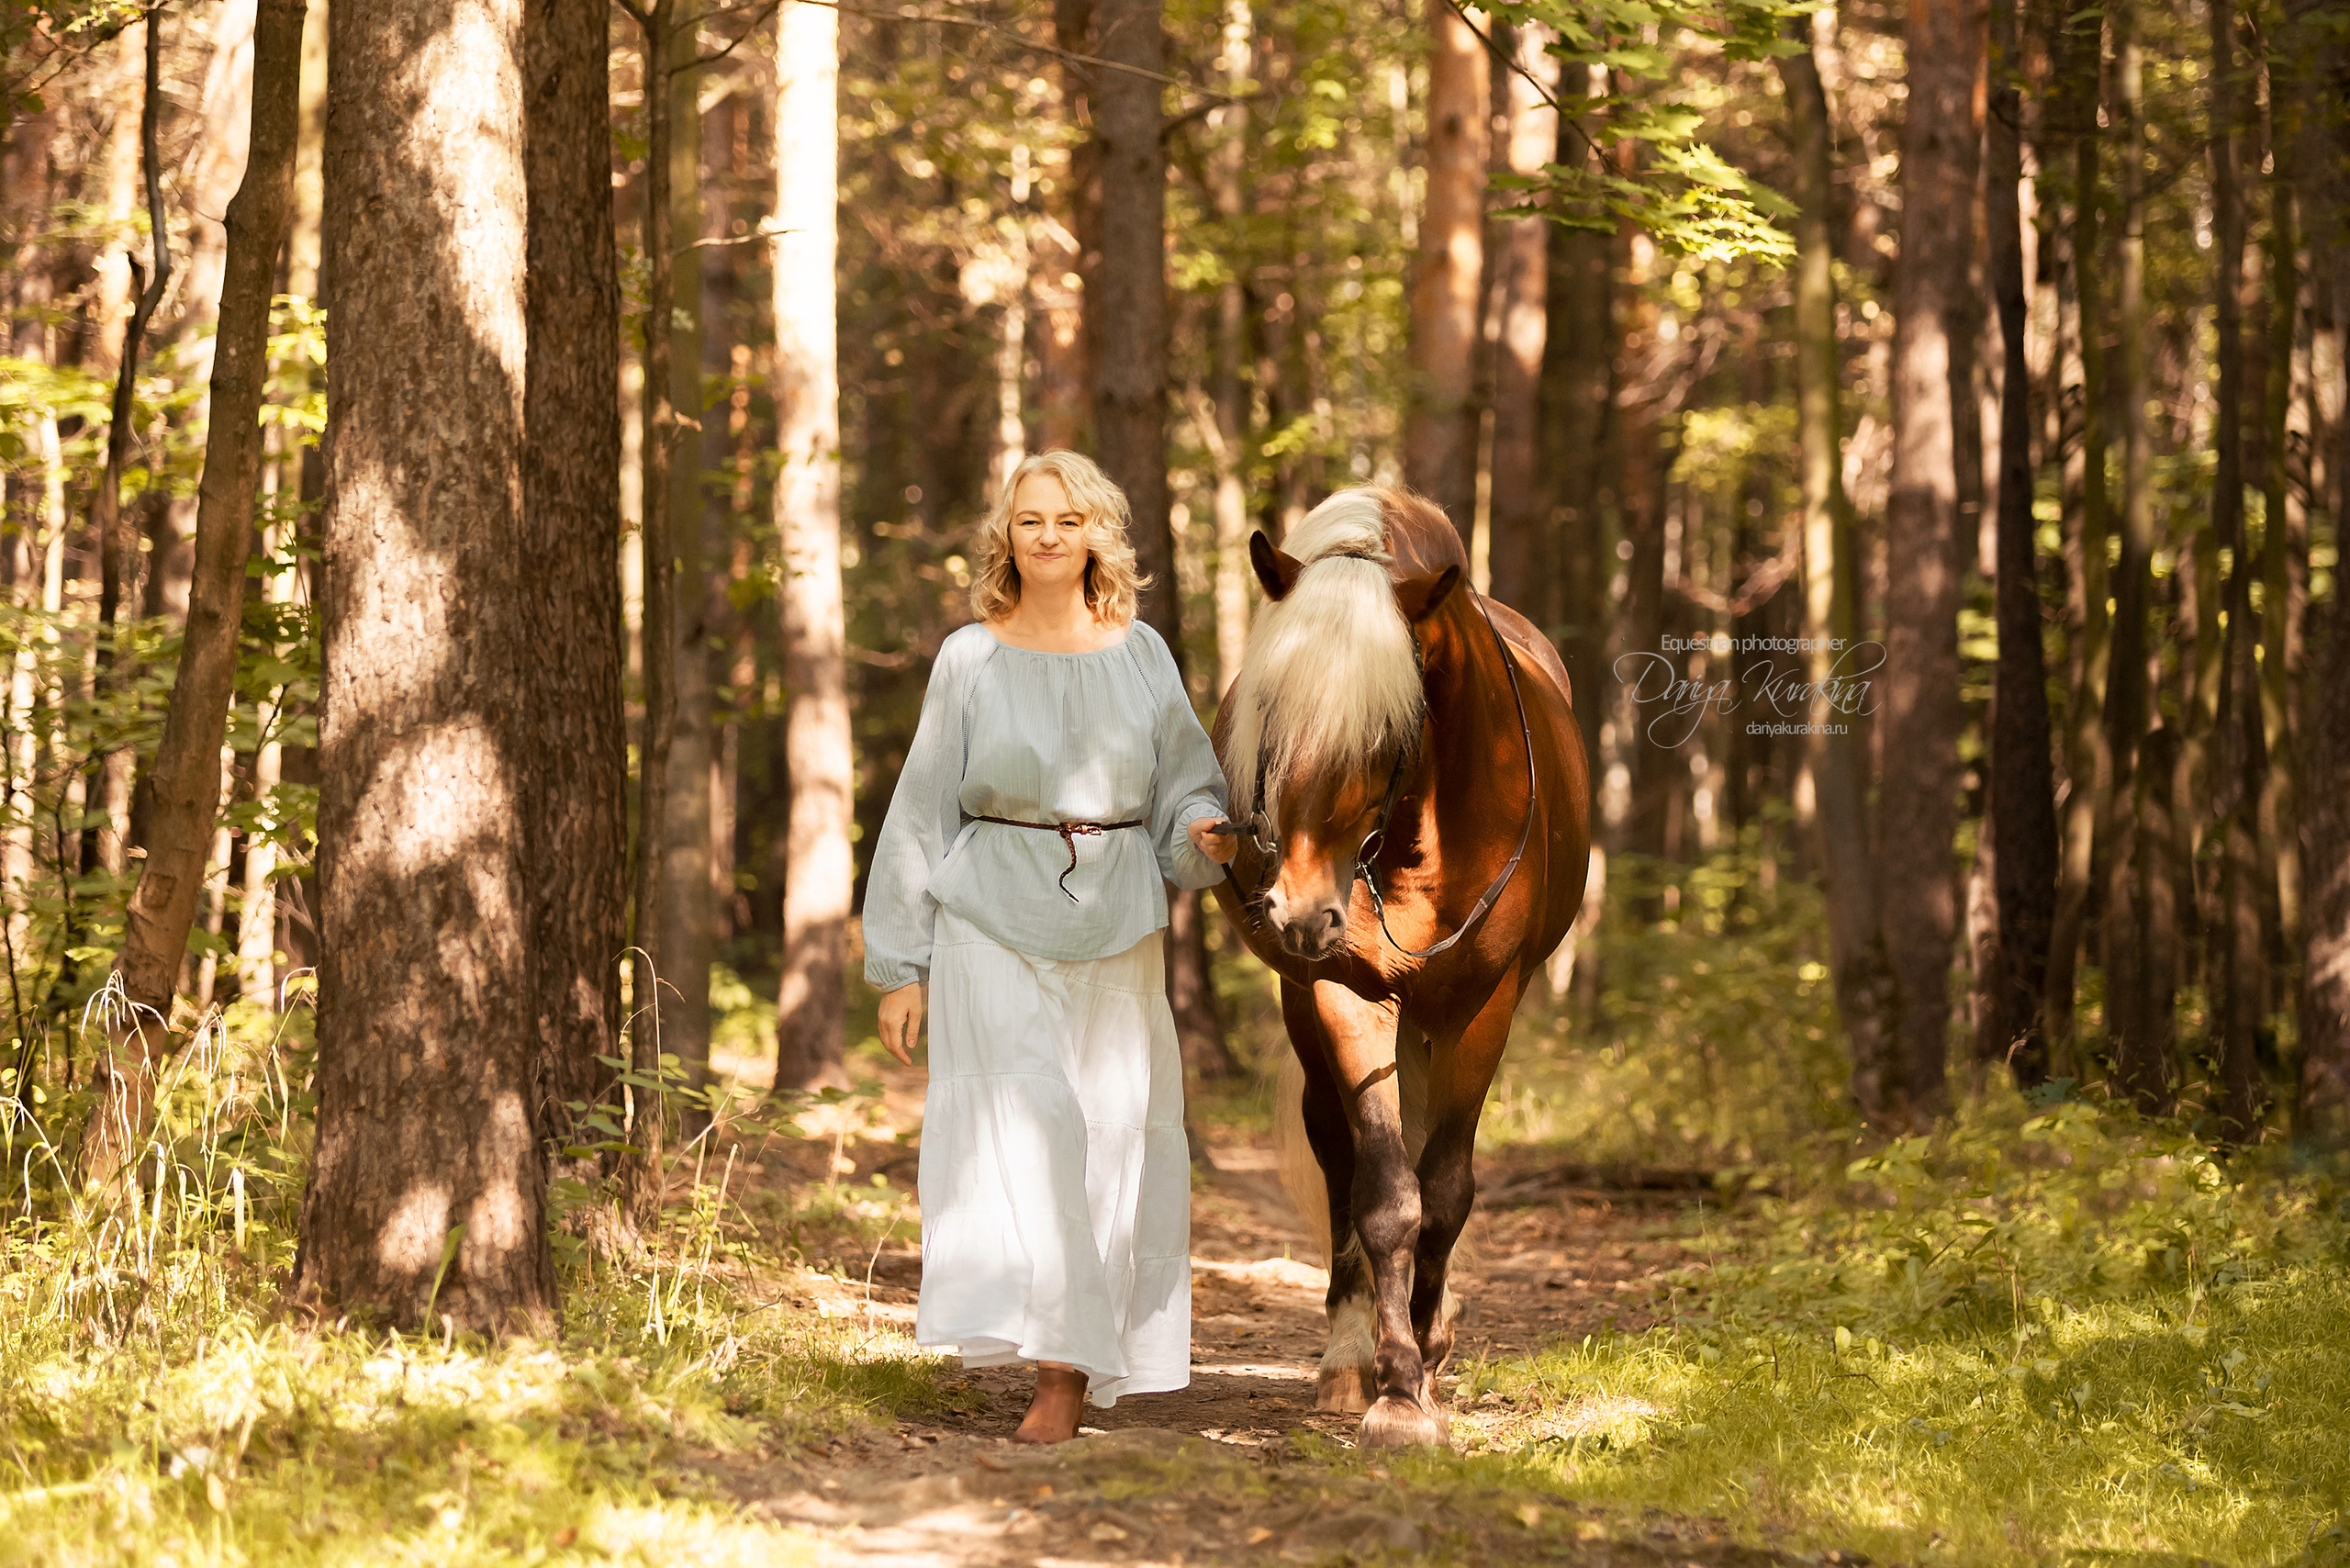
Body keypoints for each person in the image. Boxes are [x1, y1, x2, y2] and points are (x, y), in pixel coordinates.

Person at [863, 450, 1237, 1444]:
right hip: (987, 915)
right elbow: (920, 808)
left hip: (1115, 919)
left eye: (1067, 519)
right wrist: (900, 964)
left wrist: (1199, 832)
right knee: (1027, 1127)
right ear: (1006, 536)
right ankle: (1057, 1380)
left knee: (1110, 1133)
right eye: (1029, 519)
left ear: (1097, 534)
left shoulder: (1142, 652)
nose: (1047, 535)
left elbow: (1186, 785)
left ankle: (1075, 1353)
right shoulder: (969, 657)